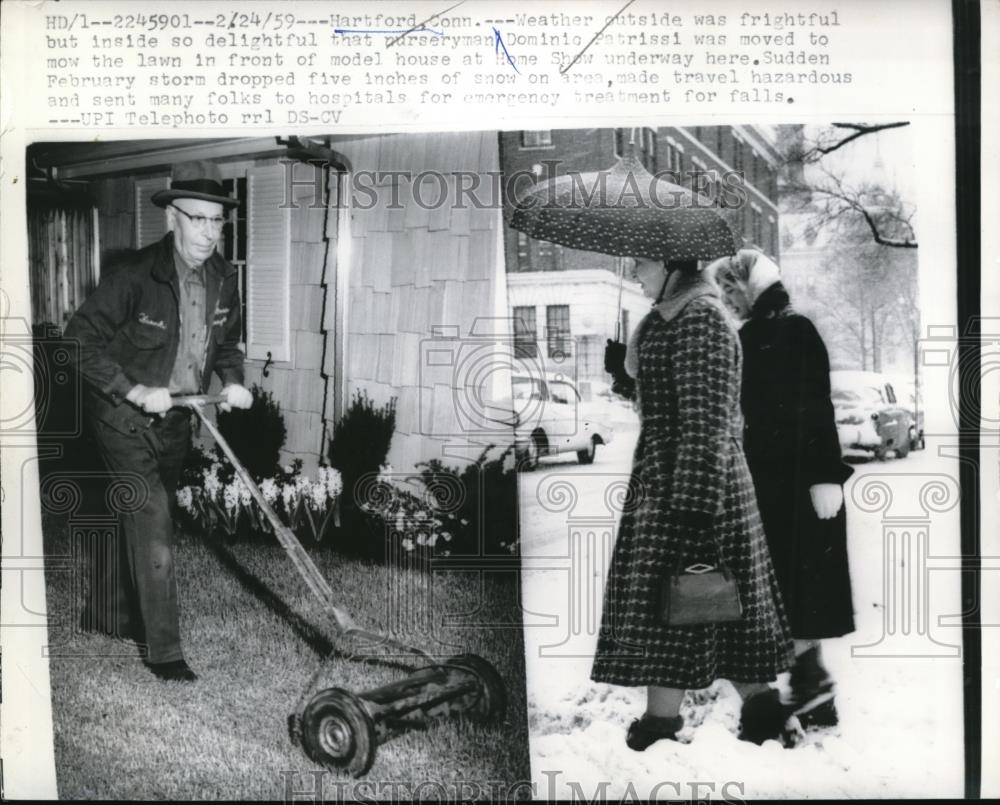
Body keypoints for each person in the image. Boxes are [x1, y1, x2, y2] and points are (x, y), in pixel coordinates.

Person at [592, 257, 795, 750]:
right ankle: (734, 715)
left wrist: (696, 509)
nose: (634, 273)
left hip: (695, 486)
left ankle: (684, 724)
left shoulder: (699, 318)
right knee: (688, 610)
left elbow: (705, 420)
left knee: (696, 603)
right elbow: (668, 401)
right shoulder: (672, 316)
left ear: (667, 263)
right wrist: (626, 377)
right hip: (670, 482)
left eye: (640, 263)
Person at [64, 160, 254, 682]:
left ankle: (106, 615)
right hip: (121, 419)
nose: (210, 233)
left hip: (177, 421)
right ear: (173, 218)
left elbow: (226, 342)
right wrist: (134, 388)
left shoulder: (223, 278)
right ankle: (164, 652)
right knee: (153, 524)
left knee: (140, 516)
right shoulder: (133, 275)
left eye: (218, 222)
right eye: (199, 220)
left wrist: (233, 380)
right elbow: (77, 339)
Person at [709, 249, 855, 729]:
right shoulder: (748, 336)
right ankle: (814, 689)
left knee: (802, 585)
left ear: (753, 287)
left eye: (731, 290)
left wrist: (826, 475)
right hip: (765, 482)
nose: (727, 300)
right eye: (724, 291)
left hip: (803, 481)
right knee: (786, 588)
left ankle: (812, 686)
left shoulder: (797, 330)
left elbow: (817, 406)